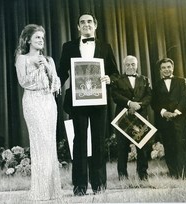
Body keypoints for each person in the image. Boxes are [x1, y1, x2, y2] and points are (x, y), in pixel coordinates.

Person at [58, 13, 119, 195]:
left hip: (99, 101)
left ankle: (99, 185)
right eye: (82, 22)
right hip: (77, 101)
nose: (86, 25)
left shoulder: (105, 47)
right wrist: (53, 86)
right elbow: (62, 71)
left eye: (89, 22)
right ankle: (79, 186)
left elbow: (115, 72)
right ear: (78, 27)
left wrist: (110, 79)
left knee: (99, 141)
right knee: (79, 142)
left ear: (95, 25)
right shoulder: (68, 47)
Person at [14, 24, 62, 201]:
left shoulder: (48, 59)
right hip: (33, 101)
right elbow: (24, 82)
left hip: (48, 102)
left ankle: (52, 190)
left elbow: (56, 85)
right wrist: (38, 69)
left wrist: (48, 68)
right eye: (37, 38)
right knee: (39, 143)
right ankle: (40, 191)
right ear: (28, 40)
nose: (41, 40)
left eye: (42, 37)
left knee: (49, 144)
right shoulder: (22, 59)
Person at [111, 55, 152, 180]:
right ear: (124, 66)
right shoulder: (117, 79)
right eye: (128, 65)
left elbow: (149, 96)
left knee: (142, 147)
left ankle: (143, 175)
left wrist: (139, 105)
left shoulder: (145, 79)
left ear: (137, 65)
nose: (130, 67)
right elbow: (115, 96)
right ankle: (122, 176)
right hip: (123, 116)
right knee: (122, 147)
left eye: (133, 64)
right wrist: (129, 103)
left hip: (141, 116)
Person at [151, 58, 186, 179]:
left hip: (180, 119)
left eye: (168, 67)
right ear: (160, 70)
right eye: (163, 68)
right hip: (165, 121)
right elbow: (154, 103)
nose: (166, 70)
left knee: (181, 145)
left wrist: (176, 112)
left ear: (173, 68)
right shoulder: (157, 84)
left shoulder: (181, 81)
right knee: (169, 146)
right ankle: (174, 173)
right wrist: (164, 112)